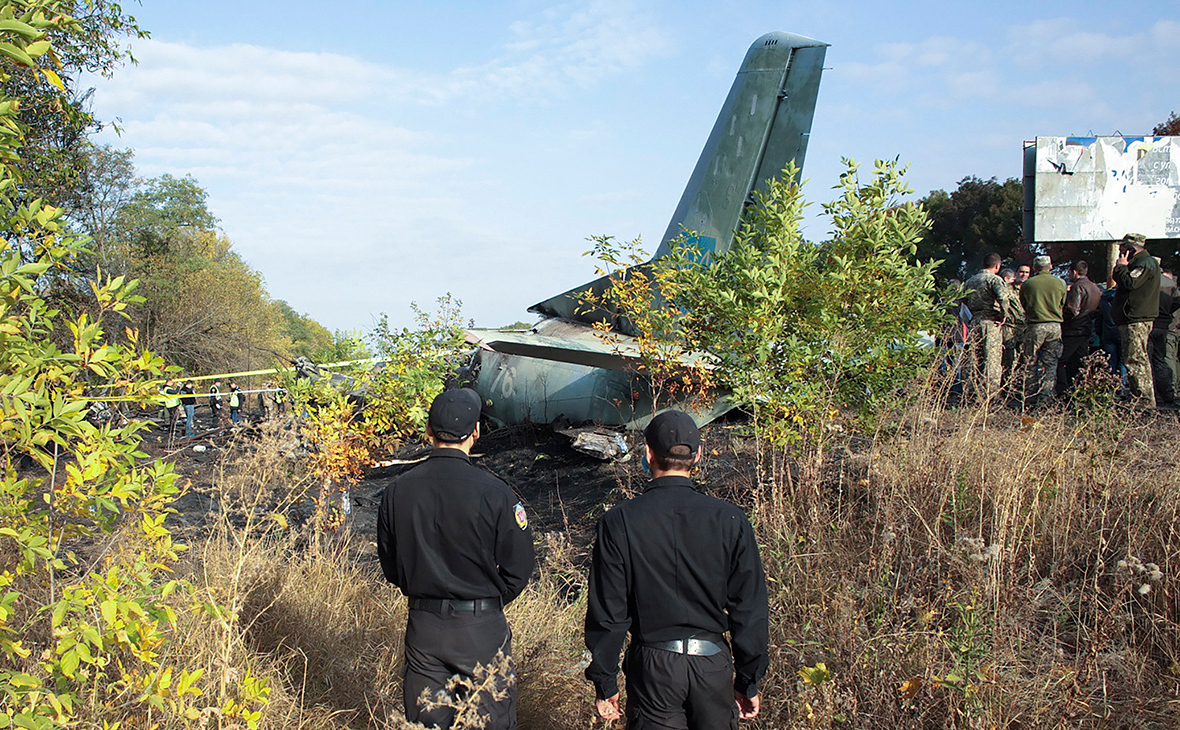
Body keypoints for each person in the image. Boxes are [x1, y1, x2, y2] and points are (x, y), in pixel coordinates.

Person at [584, 410, 768, 730]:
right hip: (712, 664)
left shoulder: (619, 522)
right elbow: (749, 609)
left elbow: (609, 611)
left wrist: (606, 682)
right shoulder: (731, 520)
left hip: (653, 668)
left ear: (648, 453)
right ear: (697, 455)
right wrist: (748, 680)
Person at [376, 388, 534, 729]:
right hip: (480, 628)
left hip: (424, 627)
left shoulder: (396, 491)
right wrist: (485, 601)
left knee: (427, 722)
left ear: (429, 430)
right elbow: (519, 568)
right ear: (476, 432)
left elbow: (390, 565)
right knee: (490, 722)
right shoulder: (496, 492)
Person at [1112, 233, 1161, 407]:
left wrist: (1120, 268)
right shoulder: (1144, 263)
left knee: (1135, 360)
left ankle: (1144, 401)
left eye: (1123, 248)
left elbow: (1130, 283)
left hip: (1136, 318)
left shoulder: (1144, 264)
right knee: (1135, 358)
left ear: (1131, 249)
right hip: (1133, 317)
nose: (1120, 251)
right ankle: (1139, 397)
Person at [963, 253, 1020, 399]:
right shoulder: (995, 280)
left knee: (973, 358)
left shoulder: (970, 281)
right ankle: (991, 394)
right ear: (997, 266)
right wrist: (1004, 314)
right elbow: (1003, 297)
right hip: (991, 322)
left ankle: (970, 391)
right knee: (992, 358)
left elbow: (961, 300)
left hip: (975, 321)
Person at [1019, 256, 1066, 405]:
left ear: (1034, 267)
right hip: (1054, 325)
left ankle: (1030, 396)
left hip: (1035, 325)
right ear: (1050, 266)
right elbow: (1062, 303)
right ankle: (1046, 397)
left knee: (1030, 361)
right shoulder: (1060, 283)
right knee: (1051, 363)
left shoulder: (1028, 284)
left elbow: (1024, 303)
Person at [1058, 260, 1101, 395]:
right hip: (1085, 329)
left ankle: (1062, 391)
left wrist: (1061, 317)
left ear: (1074, 272)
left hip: (1073, 329)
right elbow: (1099, 310)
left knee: (1059, 361)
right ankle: (1081, 391)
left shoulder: (1078, 287)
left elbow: (1072, 310)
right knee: (1080, 363)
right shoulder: (1095, 287)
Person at [1150, 265, 1178, 405]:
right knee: (1160, 359)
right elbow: (1177, 301)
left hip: (1149, 321)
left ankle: (1149, 394)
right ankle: (1167, 392)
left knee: (1146, 360)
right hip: (1164, 324)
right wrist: (1167, 312)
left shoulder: (1148, 280)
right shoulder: (1170, 283)